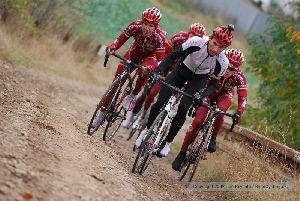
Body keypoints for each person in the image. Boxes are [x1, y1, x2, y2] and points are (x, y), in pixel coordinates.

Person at [135, 24, 235, 157]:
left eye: (221, 47)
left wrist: (202, 94)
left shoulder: (222, 62)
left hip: (199, 78)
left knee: (183, 107)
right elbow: (171, 56)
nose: (215, 49)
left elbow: (213, 85)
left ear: (225, 48)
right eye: (214, 43)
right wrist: (158, 72)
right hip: (182, 69)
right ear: (210, 38)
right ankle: (146, 130)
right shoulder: (196, 42)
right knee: (160, 102)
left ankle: (168, 142)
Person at [172, 48, 246, 171]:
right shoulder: (214, 64)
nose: (227, 71)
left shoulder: (240, 77)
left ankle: (212, 138)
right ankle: (182, 153)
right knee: (197, 121)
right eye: (227, 66)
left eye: (232, 69)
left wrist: (239, 112)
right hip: (207, 92)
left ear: (237, 69)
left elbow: (243, 97)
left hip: (224, 95)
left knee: (221, 110)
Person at [121, 23, 207, 128]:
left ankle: (160, 120)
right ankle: (135, 115)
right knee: (150, 92)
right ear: (188, 33)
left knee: (172, 96)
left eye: (198, 37)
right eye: (192, 35)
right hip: (167, 66)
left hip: (181, 71)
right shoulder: (179, 37)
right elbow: (164, 53)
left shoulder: (201, 47)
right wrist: (157, 69)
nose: (194, 39)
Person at [91, 7, 166, 128]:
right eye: (145, 24)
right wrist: (112, 47)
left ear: (156, 27)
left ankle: (133, 95)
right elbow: (120, 39)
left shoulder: (160, 36)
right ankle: (99, 116)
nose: (147, 28)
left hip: (150, 57)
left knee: (144, 70)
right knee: (116, 84)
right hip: (135, 52)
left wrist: (152, 67)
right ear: (142, 22)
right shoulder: (135, 26)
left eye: (151, 26)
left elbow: (161, 59)